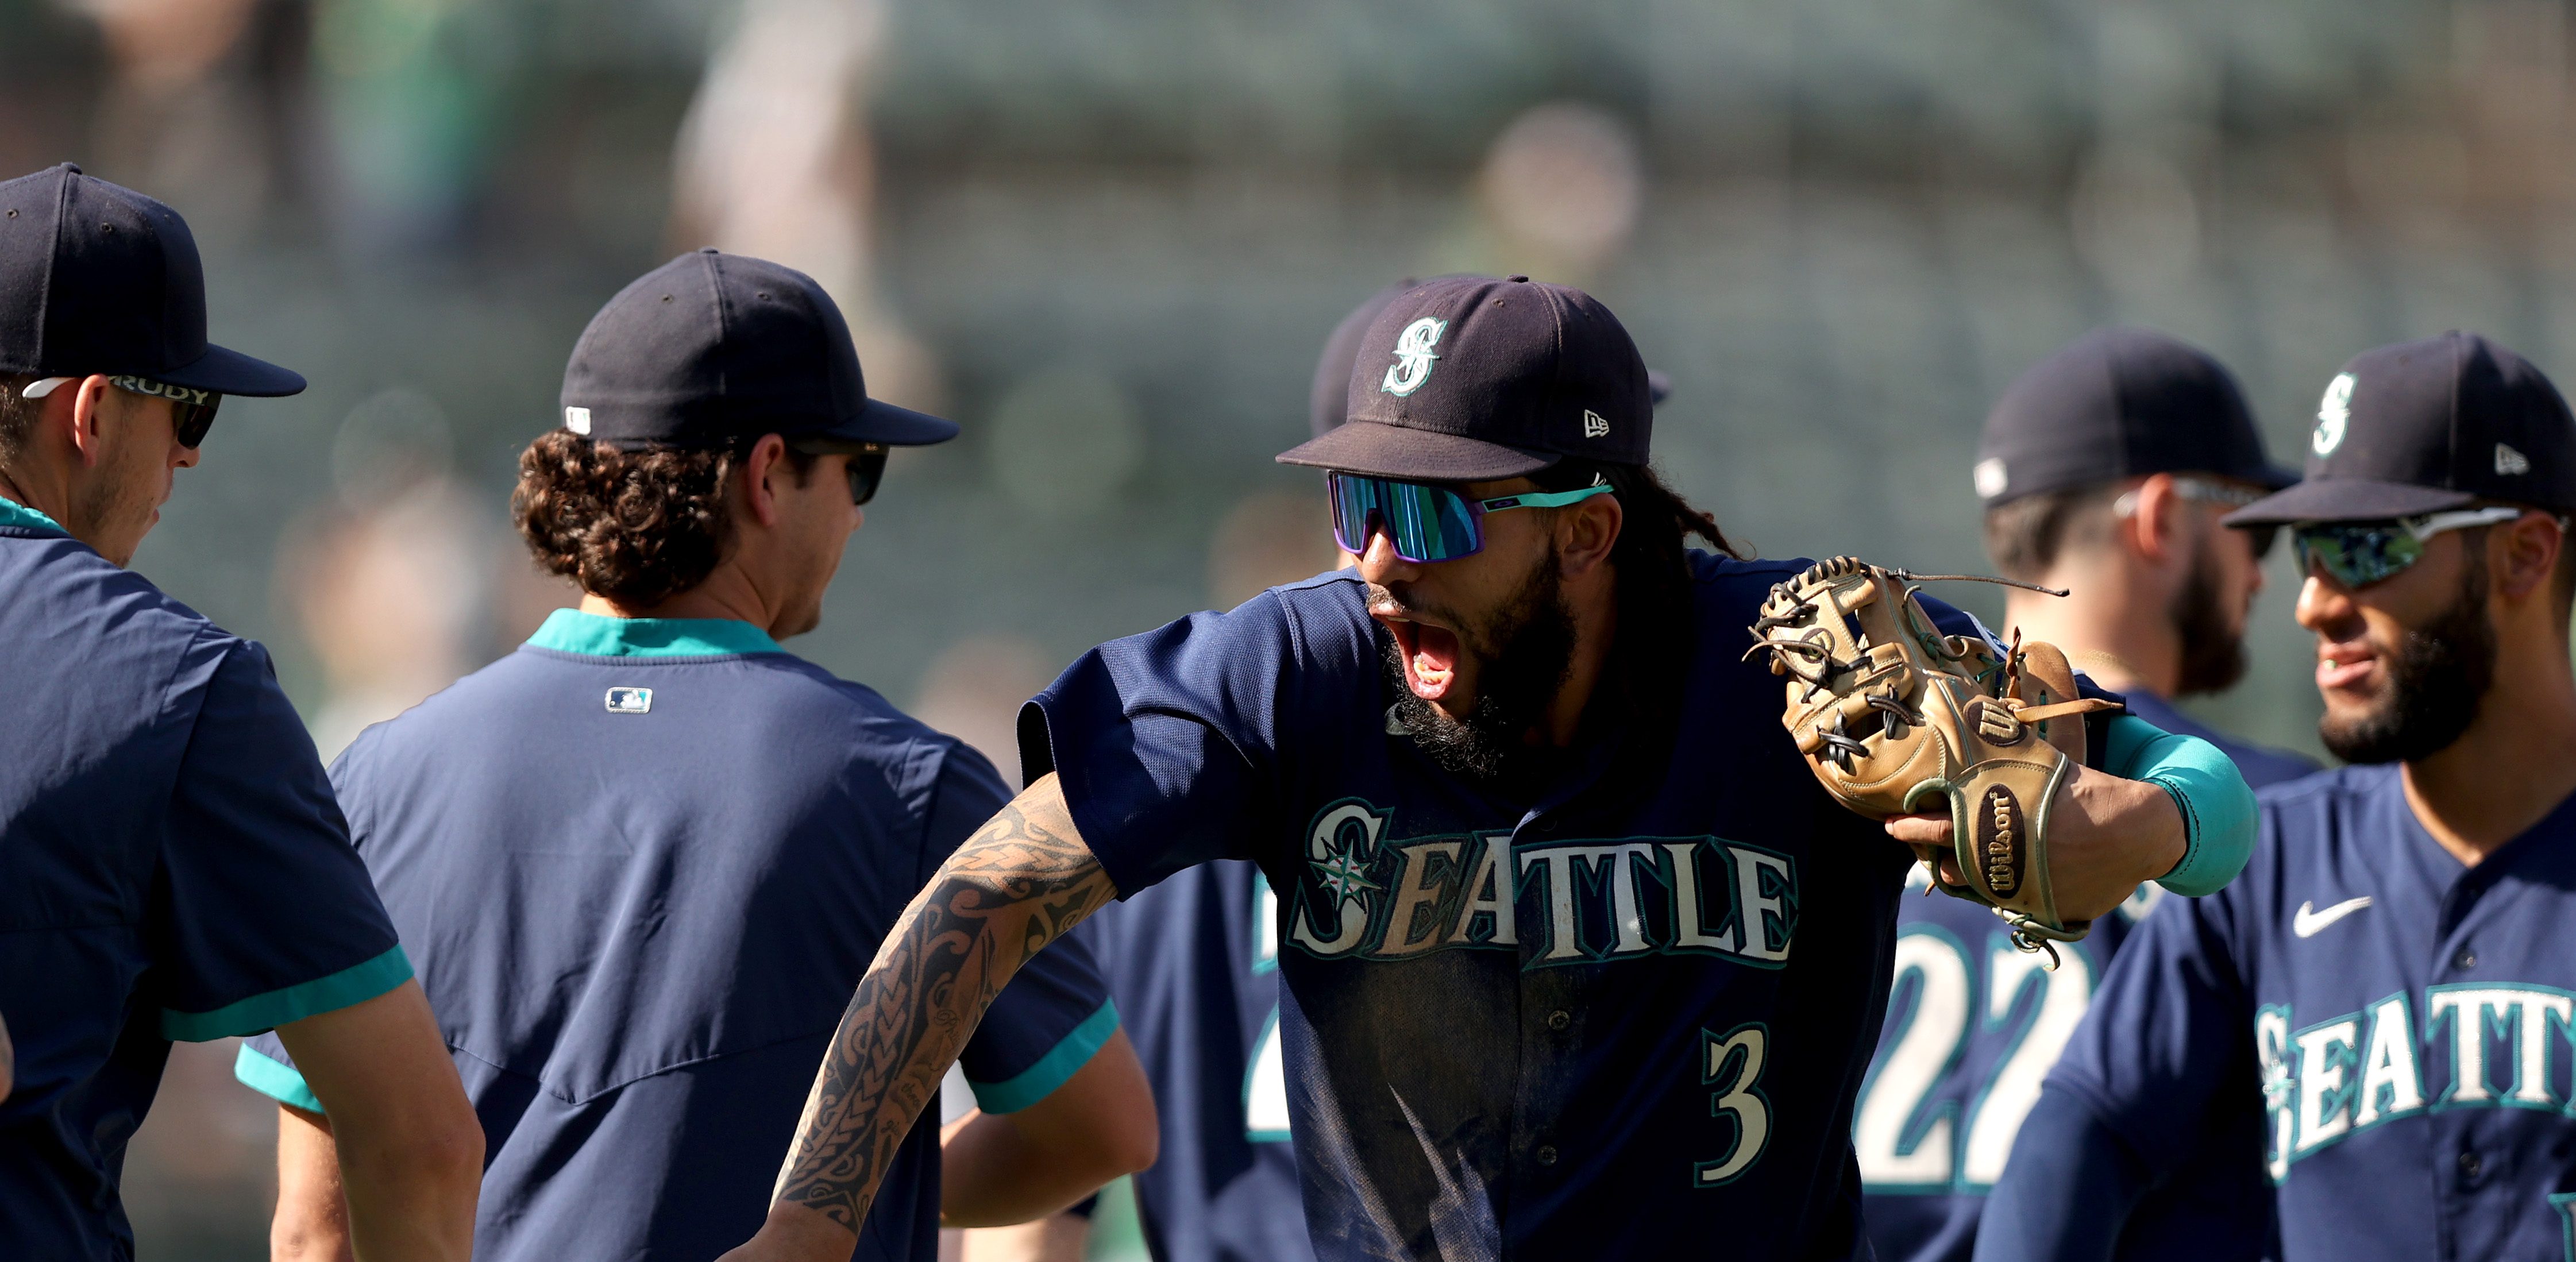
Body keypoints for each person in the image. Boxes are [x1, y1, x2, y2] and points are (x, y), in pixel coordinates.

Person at [721, 274, 2261, 1261]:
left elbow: (2219, 804)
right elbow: (981, 894)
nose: (1382, 558)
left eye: (1441, 512)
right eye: (1356, 505)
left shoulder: (1795, 665)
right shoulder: (1299, 671)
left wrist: (2117, 832)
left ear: (1589, 530)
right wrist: (815, 1213)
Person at [231, 250, 1158, 1261]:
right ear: (767, 476)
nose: (856, 509)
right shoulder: (912, 788)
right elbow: (1103, 1132)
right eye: (859, 468)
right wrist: (833, 1191)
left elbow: (314, 1232)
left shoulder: (375, 776)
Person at [1977, 331, 2576, 1262]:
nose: (2313, 604)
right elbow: (2078, 1141)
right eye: (2310, 551)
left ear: (2526, 556)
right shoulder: (2270, 865)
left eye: (2368, 546)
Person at [0, 163, 483, 1261]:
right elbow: (420, 1145)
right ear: (88, 412)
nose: (189, 451)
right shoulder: (179, 683)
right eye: (185, 405)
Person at [1859, 328, 2318, 1262]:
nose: (2265, 571)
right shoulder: (2297, 821)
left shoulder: (1851, 811)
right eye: (2254, 528)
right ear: (2159, 517)